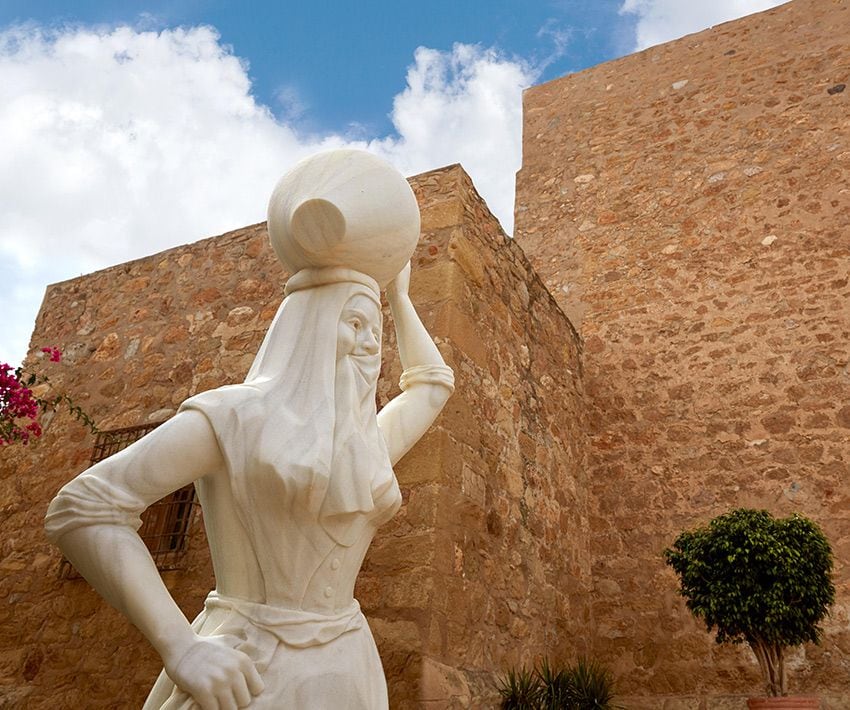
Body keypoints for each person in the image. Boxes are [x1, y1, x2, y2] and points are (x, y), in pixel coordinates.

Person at [45, 261, 453, 710]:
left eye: (375, 331)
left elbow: (432, 385)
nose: (371, 343)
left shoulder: (366, 447)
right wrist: (181, 646)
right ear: (308, 328)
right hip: (249, 666)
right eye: (354, 323)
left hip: (348, 663)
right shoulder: (235, 416)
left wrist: (399, 298)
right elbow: (83, 507)